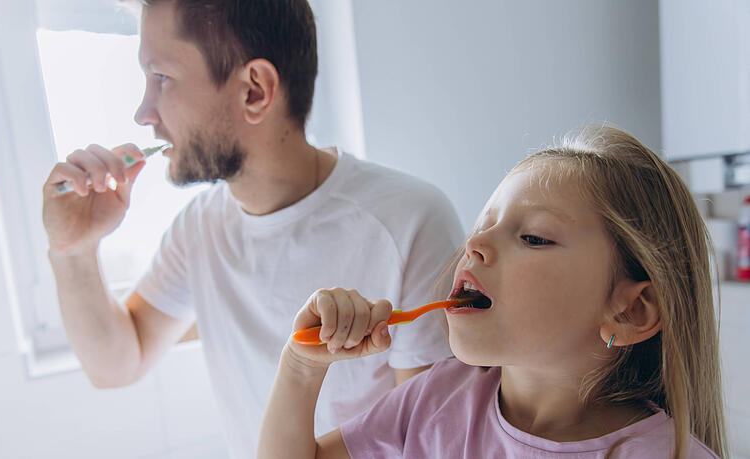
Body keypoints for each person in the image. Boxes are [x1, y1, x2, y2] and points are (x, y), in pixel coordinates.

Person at [40, 0, 461, 457]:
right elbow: (117, 364)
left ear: (255, 91)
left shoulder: (409, 222)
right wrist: (73, 250)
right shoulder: (198, 228)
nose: (144, 112)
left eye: (162, 78)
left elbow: (426, 443)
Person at [258, 125, 728, 459]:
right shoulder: (435, 400)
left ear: (630, 311)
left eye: (534, 238)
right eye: (483, 226)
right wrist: (301, 367)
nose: (474, 244)